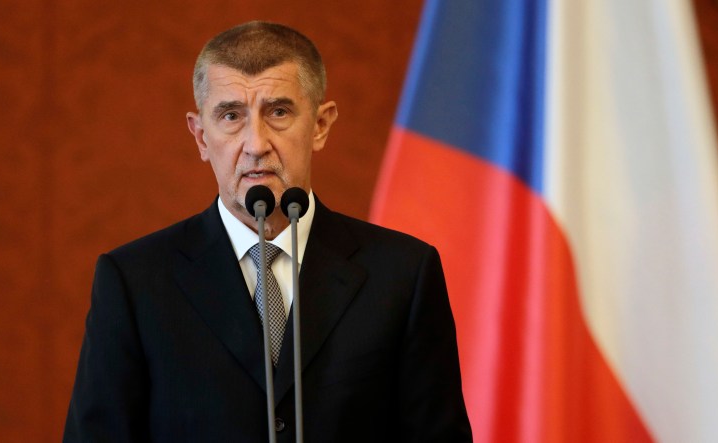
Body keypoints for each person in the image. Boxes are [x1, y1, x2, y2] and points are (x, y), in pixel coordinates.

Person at [64, 21, 472, 442]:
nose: (256, 144)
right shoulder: (134, 281)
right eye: (231, 116)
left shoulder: (403, 274)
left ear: (320, 125)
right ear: (201, 136)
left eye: (278, 112)